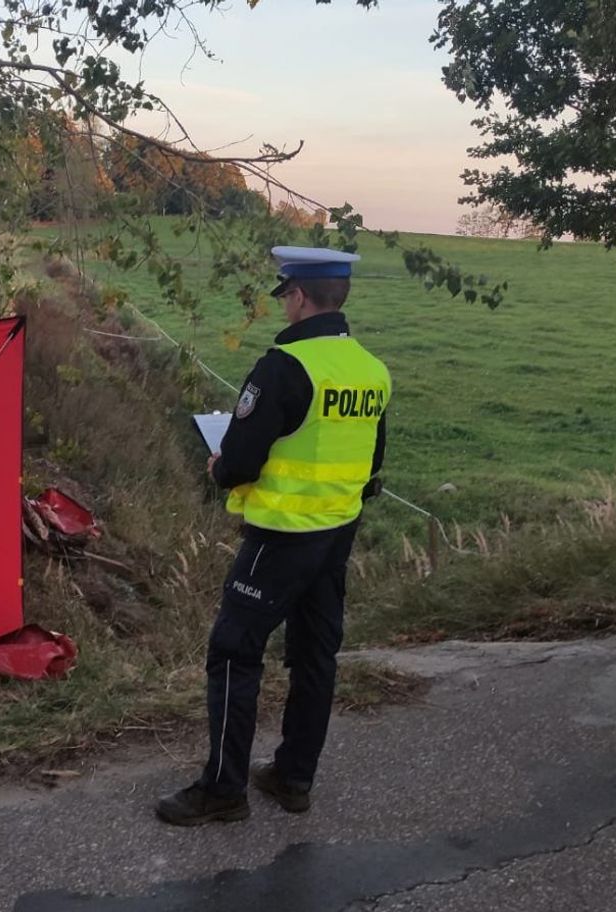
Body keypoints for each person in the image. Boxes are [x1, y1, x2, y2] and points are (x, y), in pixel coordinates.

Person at [156, 245, 391, 826]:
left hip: (280, 537)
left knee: (234, 653)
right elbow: (372, 460)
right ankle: (293, 778)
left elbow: (237, 464)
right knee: (315, 657)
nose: (284, 304)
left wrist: (218, 467)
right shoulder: (371, 369)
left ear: (301, 296)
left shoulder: (284, 368)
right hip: (337, 535)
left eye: (285, 294)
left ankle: (222, 790)